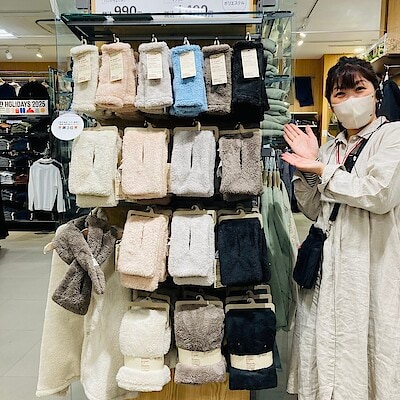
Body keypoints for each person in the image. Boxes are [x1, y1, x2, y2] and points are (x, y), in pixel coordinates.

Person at [282, 56, 400, 399]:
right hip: (326, 263)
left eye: (358, 89)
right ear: (331, 103)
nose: (350, 100)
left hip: (368, 261)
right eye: (340, 93)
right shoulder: (330, 147)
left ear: (376, 94)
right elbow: (313, 208)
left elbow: (378, 194)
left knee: (365, 342)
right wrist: (306, 169)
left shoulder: (391, 137)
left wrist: (321, 170)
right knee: (324, 341)